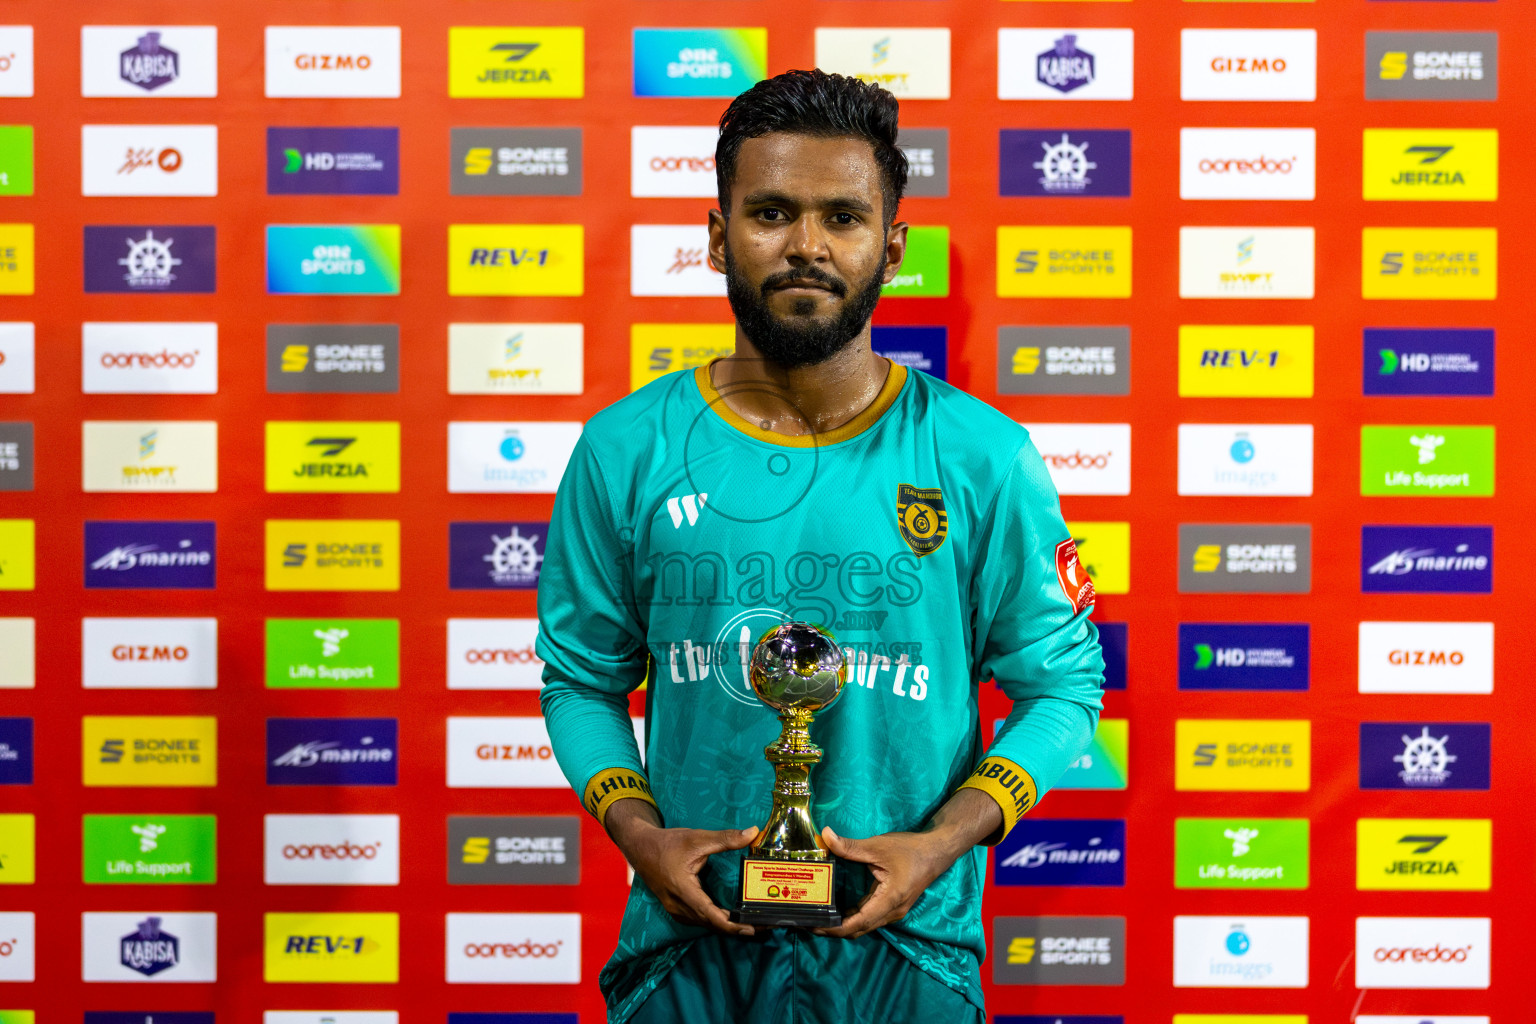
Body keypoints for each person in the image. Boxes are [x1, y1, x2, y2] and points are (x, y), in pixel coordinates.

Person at [537, 68, 1105, 1024]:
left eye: (842, 216)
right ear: (719, 237)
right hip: (689, 950)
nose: (806, 246)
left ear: (892, 244)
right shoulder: (625, 448)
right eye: (769, 213)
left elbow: (1063, 687)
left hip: (909, 957)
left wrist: (939, 845)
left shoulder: (982, 456)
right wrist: (640, 836)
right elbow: (581, 680)